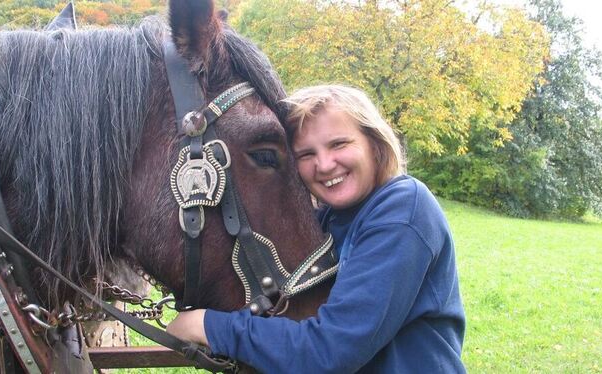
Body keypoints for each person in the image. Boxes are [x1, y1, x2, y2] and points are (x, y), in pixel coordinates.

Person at [167, 85, 466, 373]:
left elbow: (330, 352)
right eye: (306, 154)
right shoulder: (330, 219)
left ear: (374, 144)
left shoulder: (402, 209)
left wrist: (207, 326)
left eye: (339, 144)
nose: (324, 164)